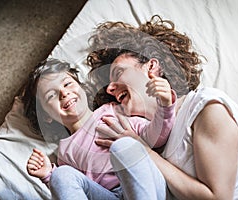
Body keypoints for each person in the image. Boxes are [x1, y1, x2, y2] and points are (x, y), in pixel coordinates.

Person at [87, 15, 238, 199]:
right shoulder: (151, 139)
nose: (110, 88)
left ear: (151, 67)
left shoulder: (205, 107)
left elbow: (218, 197)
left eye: (118, 72)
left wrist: (141, 150)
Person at [22, 58, 176, 199]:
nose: (64, 93)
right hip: (108, 196)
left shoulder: (113, 111)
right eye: (51, 95)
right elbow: (74, 190)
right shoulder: (65, 152)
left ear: (82, 88)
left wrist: (165, 104)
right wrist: (49, 176)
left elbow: (155, 137)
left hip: (146, 187)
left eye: (67, 84)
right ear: (46, 117)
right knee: (61, 175)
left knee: (123, 146)